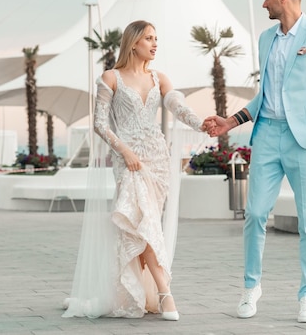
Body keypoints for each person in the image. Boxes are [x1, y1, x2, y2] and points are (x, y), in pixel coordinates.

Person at [206, 0, 306, 323]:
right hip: (267, 136)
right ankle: (251, 287)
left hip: (305, 142)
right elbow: (267, 94)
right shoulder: (266, 39)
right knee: (254, 214)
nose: (263, 2)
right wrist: (231, 121)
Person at [63, 20, 208, 321]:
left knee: (147, 224)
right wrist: (125, 152)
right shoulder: (110, 77)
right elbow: (100, 124)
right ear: (133, 43)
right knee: (141, 224)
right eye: (149, 39)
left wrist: (201, 123)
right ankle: (165, 293)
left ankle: (142, 292)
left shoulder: (159, 77)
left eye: (157, 38)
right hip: (128, 161)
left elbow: (176, 105)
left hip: (157, 160)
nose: (155, 44)